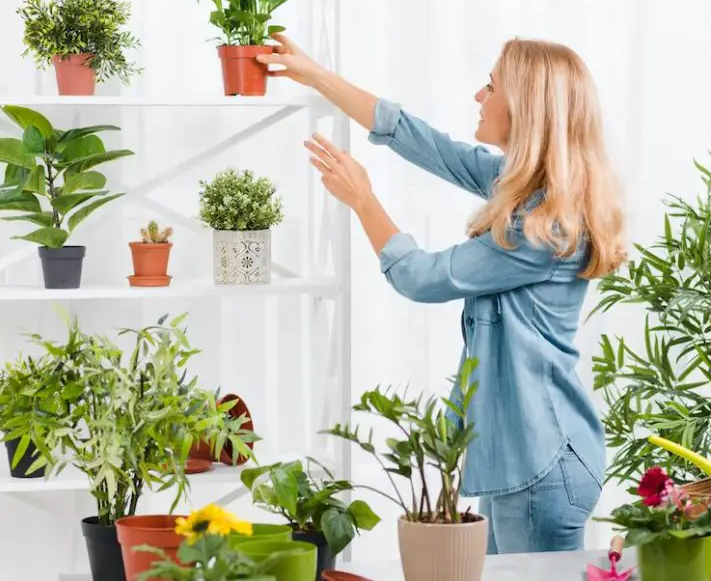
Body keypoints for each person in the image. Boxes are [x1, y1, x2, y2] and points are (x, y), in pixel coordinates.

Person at [258, 34, 627, 554]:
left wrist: (363, 200)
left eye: (491, 86)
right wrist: (314, 74)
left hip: (543, 463)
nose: (479, 96)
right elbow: (421, 140)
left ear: (524, 107)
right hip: (528, 457)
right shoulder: (525, 191)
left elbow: (423, 277)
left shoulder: (545, 228)